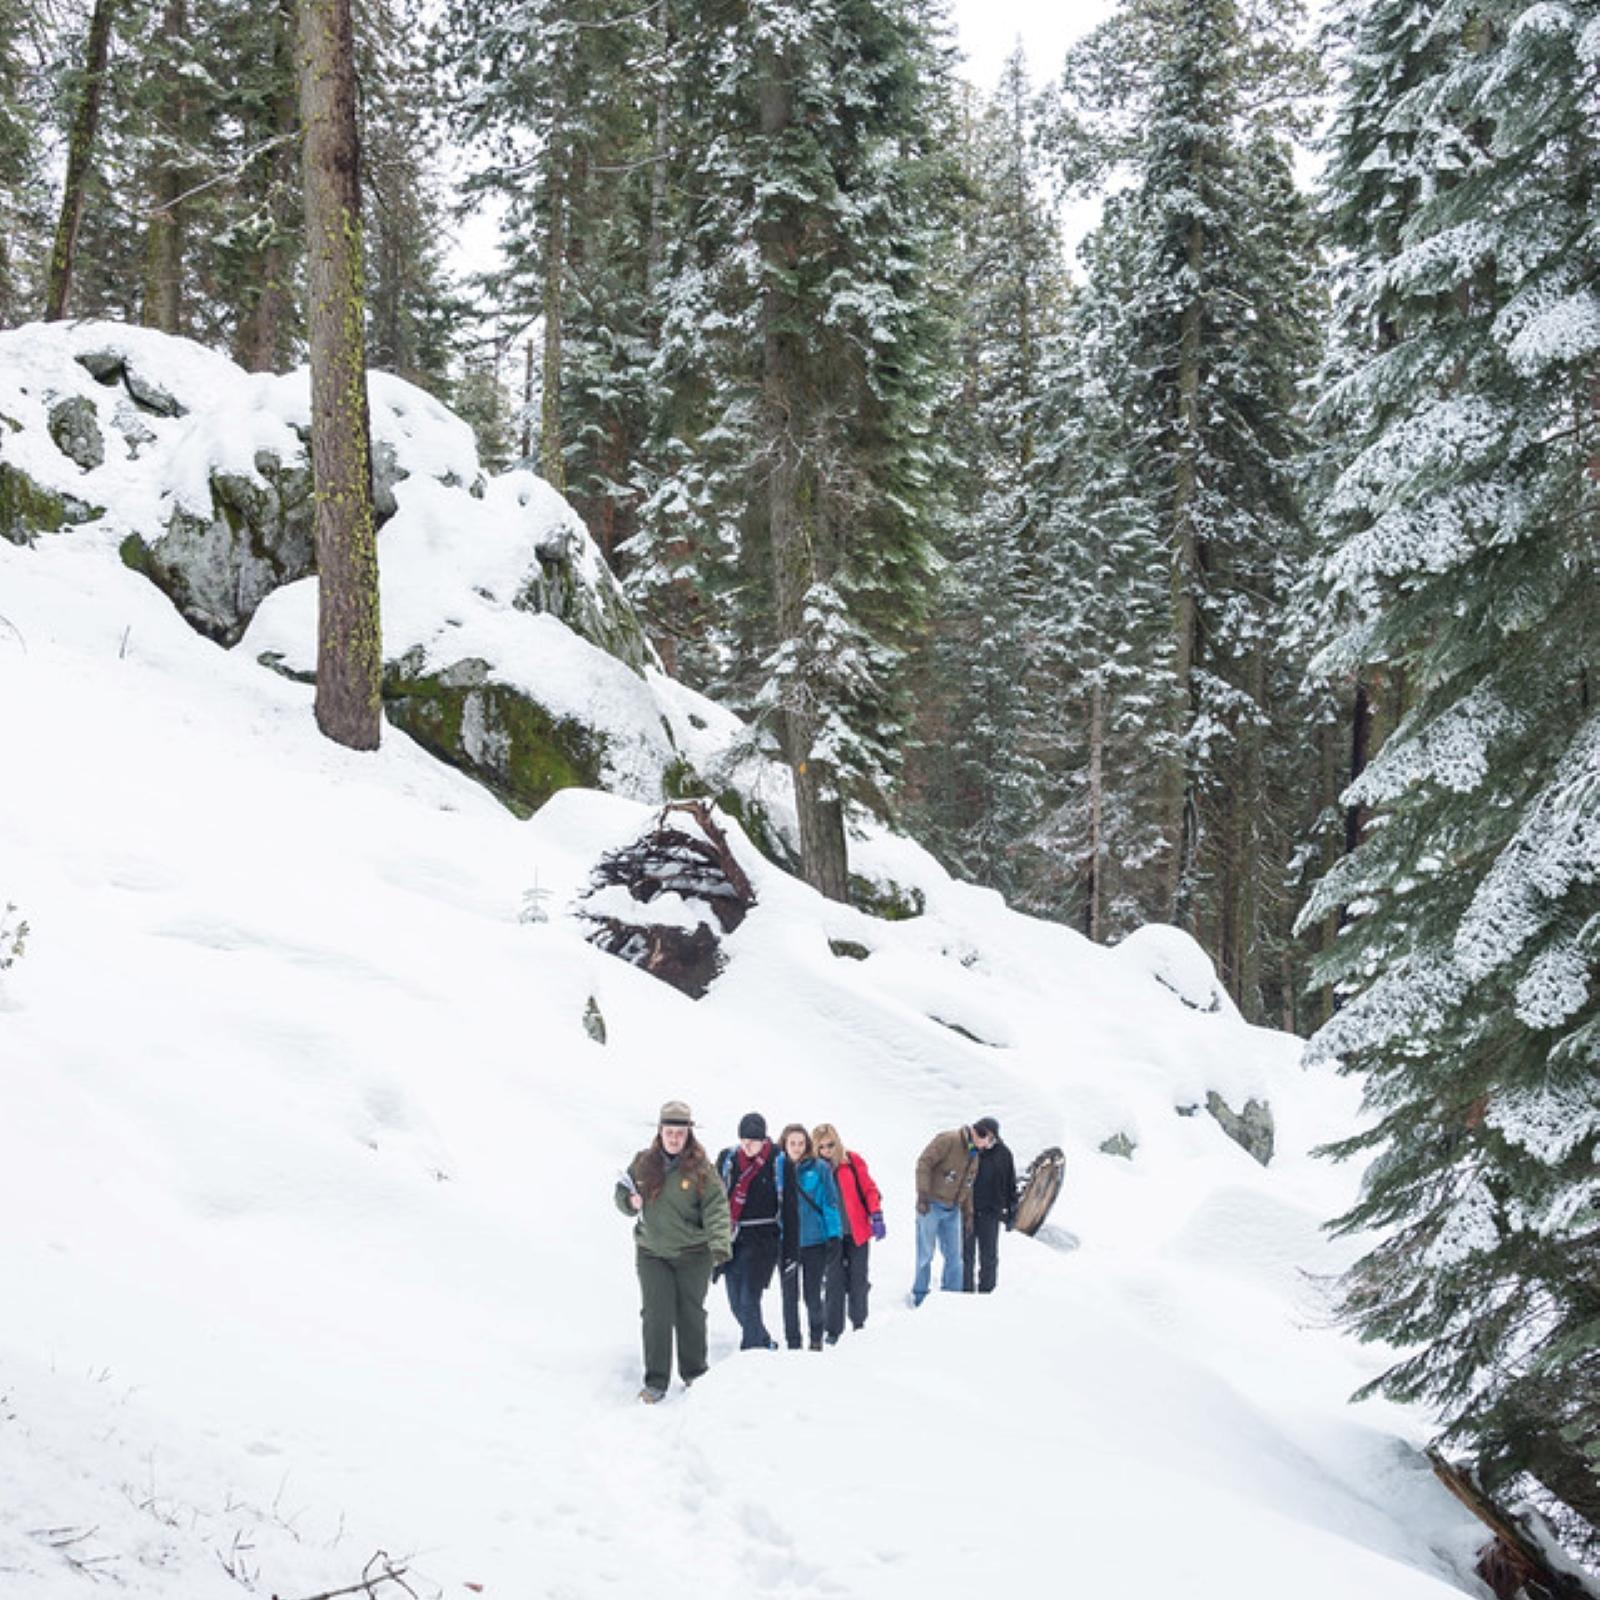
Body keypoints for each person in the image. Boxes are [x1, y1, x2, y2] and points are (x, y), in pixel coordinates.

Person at [615, 1100, 732, 1403]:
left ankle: (694, 1373)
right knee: (656, 1314)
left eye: (680, 1133)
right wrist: (629, 1202)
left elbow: (717, 1208)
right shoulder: (643, 1162)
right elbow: (621, 1191)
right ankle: (656, 1381)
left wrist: (719, 1245)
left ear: (688, 1134)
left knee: (690, 1313)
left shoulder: (702, 1169)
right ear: (660, 1131)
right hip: (652, 1252)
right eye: (669, 1132)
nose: (674, 1138)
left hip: (694, 1253)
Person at [774, 1123, 845, 1350]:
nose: (796, 1148)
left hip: (814, 1242)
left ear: (807, 1144)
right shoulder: (775, 1168)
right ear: (784, 1144)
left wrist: (834, 1235)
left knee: (812, 1295)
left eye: (800, 1143)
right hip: (786, 1243)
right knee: (789, 1296)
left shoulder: (820, 1168)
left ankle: (816, 1339)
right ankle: (793, 1341)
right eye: (792, 1143)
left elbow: (829, 1202)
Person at [911, 1119, 997, 1306]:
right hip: (931, 1205)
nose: (988, 1145)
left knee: (955, 1258)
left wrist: (968, 1215)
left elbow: (968, 1187)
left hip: (953, 1210)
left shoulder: (975, 1156)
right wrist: (923, 1195)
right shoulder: (948, 1140)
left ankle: (951, 1298)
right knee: (925, 1253)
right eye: (989, 1140)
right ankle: (919, 1295)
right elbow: (924, 1163)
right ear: (981, 1133)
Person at [716, 1112, 781, 1351]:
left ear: (763, 1139)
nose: (748, 1145)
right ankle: (763, 1340)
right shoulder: (728, 1158)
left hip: (763, 1239)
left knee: (749, 1297)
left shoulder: (777, 1159)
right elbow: (716, 1193)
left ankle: (752, 1351)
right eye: (744, 1139)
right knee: (735, 1302)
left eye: (753, 1140)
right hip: (732, 1237)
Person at [813, 1123, 883, 1336]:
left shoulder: (852, 1161)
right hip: (830, 1235)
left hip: (856, 1231)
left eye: (830, 1145)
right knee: (834, 1282)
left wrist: (876, 1214)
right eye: (821, 1147)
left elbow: (870, 1189)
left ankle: (859, 1323)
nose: (826, 1151)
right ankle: (833, 1330)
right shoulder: (813, 1169)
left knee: (858, 1279)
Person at [962, 1115, 1016, 1294]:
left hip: (990, 1212)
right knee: (966, 1255)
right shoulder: (970, 1149)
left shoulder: (1004, 1154)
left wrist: (1011, 1211)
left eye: (990, 1135)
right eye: (982, 1132)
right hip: (968, 1211)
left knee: (989, 1256)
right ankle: (965, 1290)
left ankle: (987, 1292)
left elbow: (1010, 1183)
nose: (986, 1138)